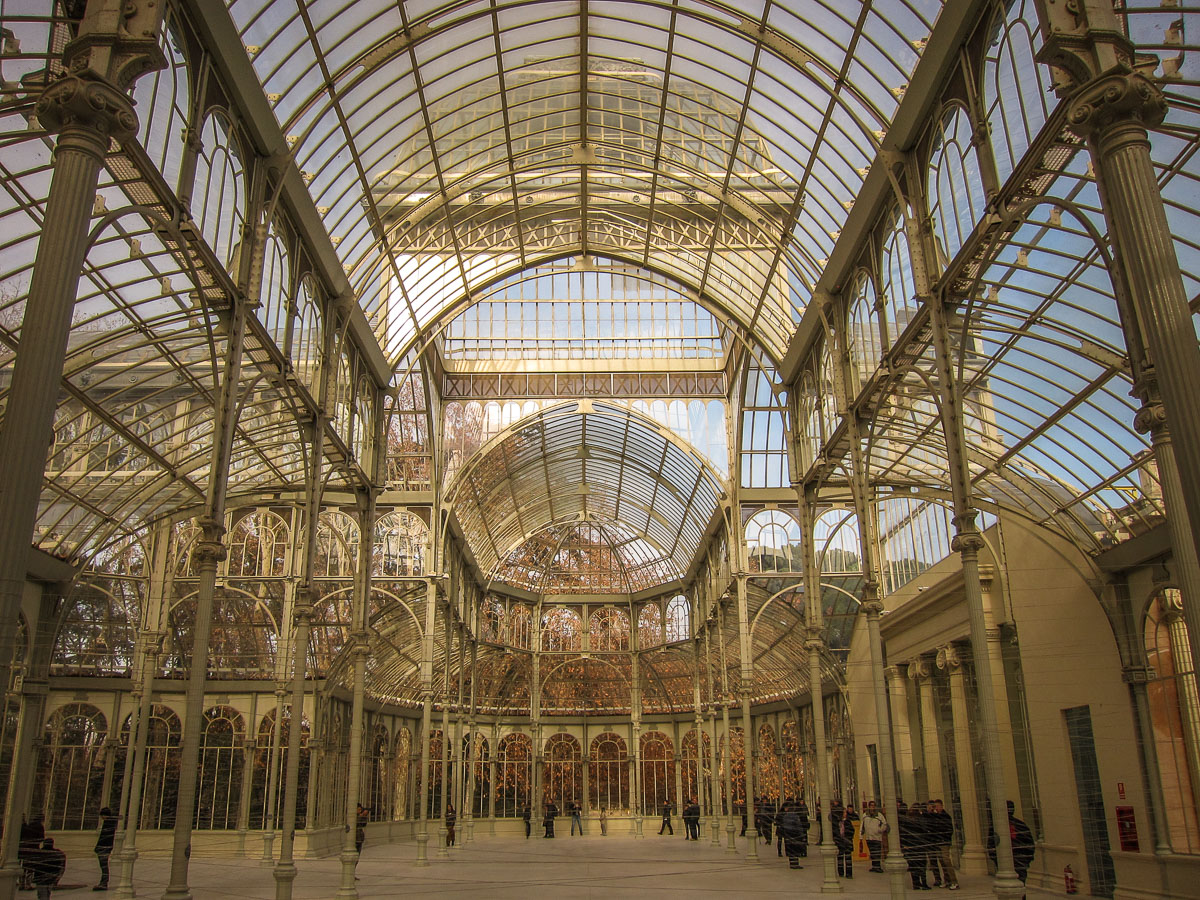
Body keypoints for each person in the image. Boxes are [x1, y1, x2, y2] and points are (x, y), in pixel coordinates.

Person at [988, 800, 1035, 884]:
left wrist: (1025, 859)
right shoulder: (997, 826)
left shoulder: (1019, 826)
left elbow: (1029, 844)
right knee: (1012, 884)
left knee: (1018, 883)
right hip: (1009, 861)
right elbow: (991, 845)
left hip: (1017, 860)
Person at [927, 799, 958, 890]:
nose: (935, 808)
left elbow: (948, 830)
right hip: (939, 842)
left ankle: (954, 881)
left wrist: (943, 838)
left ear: (941, 806)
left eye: (936, 806)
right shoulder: (937, 816)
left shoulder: (945, 816)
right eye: (934, 807)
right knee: (942, 862)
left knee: (946, 861)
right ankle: (947, 880)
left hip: (944, 842)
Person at [901, 802, 931, 890]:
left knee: (913, 865)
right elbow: (924, 830)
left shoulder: (907, 819)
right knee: (921, 865)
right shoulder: (920, 819)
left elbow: (904, 833)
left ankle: (916, 883)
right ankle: (924, 883)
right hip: (919, 845)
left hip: (911, 846)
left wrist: (905, 845)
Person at [860, 799, 888, 873]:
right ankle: (874, 866)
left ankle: (878, 866)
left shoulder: (879, 815)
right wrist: (861, 836)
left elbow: (884, 824)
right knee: (872, 852)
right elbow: (862, 826)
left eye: (873, 806)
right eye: (871, 805)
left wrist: (880, 830)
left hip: (877, 837)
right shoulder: (865, 815)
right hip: (869, 837)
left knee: (877, 852)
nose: (872, 807)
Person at [93, 806, 118, 890]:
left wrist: (98, 847)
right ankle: (103, 882)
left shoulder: (108, 823)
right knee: (104, 866)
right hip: (106, 847)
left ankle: (104, 883)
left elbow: (103, 837)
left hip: (104, 847)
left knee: (103, 866)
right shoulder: (111, 823)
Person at [19, 815, 45, 890]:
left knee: (24, 866)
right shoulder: (40, 827)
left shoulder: (28, 826)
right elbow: (41, 838)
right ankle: (28, 884)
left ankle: (21, 883)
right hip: (33, 849)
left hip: (24, 849)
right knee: (30, 867)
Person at [780, 800, 805, 870]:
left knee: (790, 849)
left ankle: (792, 863)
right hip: (794, 833)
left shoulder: (785, 816)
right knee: (795, 849)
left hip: (787, 833)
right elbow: (798, 826)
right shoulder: (795, 816)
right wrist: (801, 834)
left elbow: (783, 824)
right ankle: (795, 863)